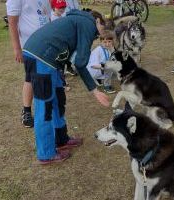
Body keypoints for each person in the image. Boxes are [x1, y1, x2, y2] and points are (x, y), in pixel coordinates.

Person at [22, 9, 110, 164]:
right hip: (41, 57)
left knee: (58, 99)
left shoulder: (79, 21)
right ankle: (46, 154)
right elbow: (80, 63)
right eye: (104, 28)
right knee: (45, 107)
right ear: (97, 21)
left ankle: (61, 139)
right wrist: (95, 91)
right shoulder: (88, 24)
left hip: (49, 60)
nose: (103, 34)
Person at [6, 0, 51, 128]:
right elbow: (12, 22)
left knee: (40, 76)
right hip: (31, 46)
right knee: (30, 77)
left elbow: (47, 15)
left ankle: (45, 107)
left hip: (46, 44)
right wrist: (17, 48)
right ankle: (26, 111)